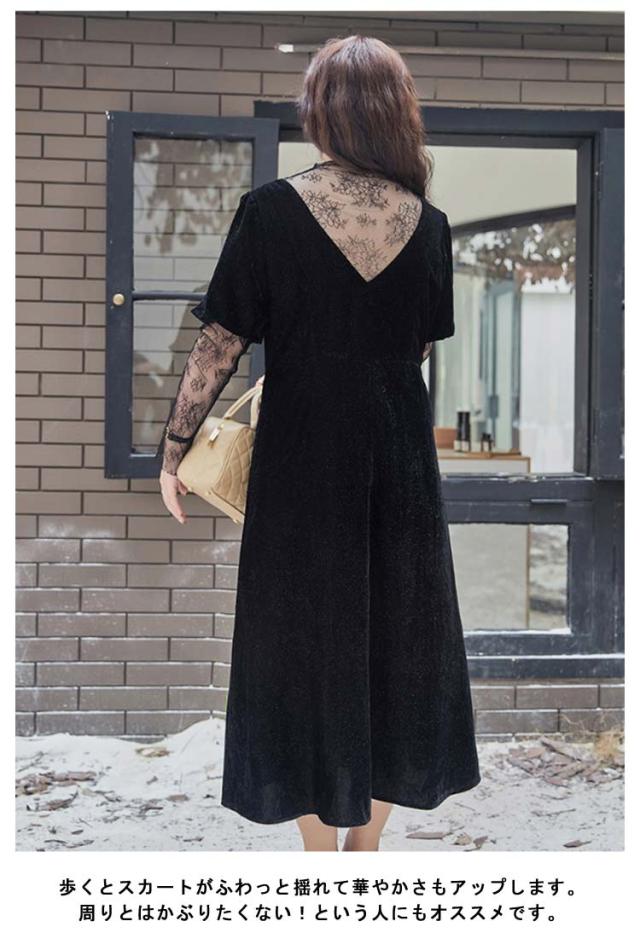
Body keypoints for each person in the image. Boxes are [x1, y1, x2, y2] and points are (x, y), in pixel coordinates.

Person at [158, 34, 481, 852]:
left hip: (301, 455)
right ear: (397, 114)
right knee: (400, 650)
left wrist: (175, 450)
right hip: (400, 460)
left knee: (293, 647)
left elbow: (220, 342)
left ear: (321, 113)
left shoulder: (270, 211)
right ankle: (365, 851)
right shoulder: (432, 227)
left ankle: (318, 859)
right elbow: (415, 347)